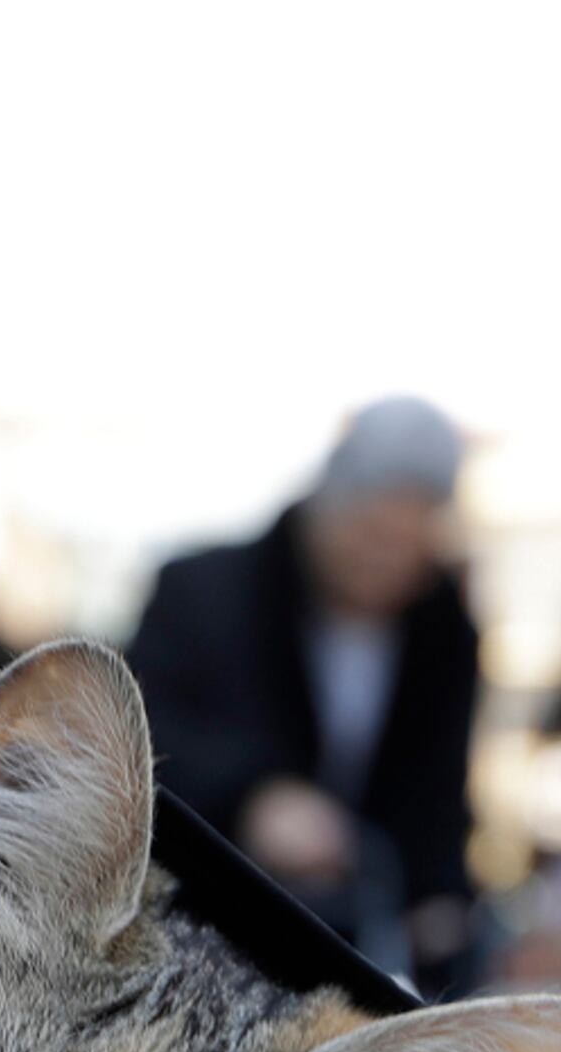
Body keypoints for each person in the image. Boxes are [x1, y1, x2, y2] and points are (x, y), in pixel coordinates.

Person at [128, 397, 483, 983]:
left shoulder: (443, 634)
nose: (383, 561)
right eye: (369, 533)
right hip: (204, 934)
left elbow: (439, 791)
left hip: (363, 949)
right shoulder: (204, 593)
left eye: (406, 545)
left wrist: (438, 897)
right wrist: (252, 799)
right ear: (326, 508)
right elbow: (143, 731)